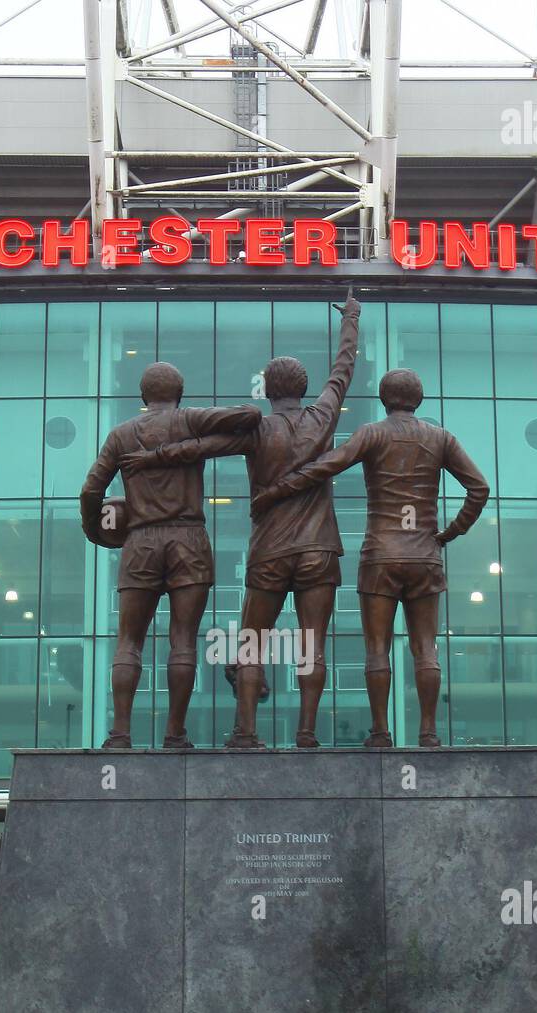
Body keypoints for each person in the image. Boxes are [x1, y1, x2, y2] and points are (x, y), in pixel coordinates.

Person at [123, 296, 362, 748]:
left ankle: (246, 732)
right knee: (313, 643)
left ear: (267, 391)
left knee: (252, 642)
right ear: (303, 387)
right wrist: (350, 318)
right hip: (319, 548)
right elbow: (343, 368)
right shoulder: (324, 416)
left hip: (270, 549)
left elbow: (201, 448)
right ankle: (307, 734)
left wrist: (153, 456)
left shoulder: (256, 430)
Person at [251, 367, 489, 749]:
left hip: (381, 554)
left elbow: (326, 465)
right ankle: (428, 733)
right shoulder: (441, 438)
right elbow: (480, 488)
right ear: (419, 399)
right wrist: (449, 532)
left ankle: (381, 732)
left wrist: (278, 490)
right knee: (425, 648)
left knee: (376, 648)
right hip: (425, 554)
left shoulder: (372, 434)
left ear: (383, 399)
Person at [80, 367, 262, 749]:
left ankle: (120, 734)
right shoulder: (189, 420)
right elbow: (250, 414)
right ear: (180, 391)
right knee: (182, 640)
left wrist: (95, 531)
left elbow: (90, 491)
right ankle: (174, 734)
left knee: (129, 640)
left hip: (141, 541)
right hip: (188, 538)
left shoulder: (122, 435)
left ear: (142, 396)